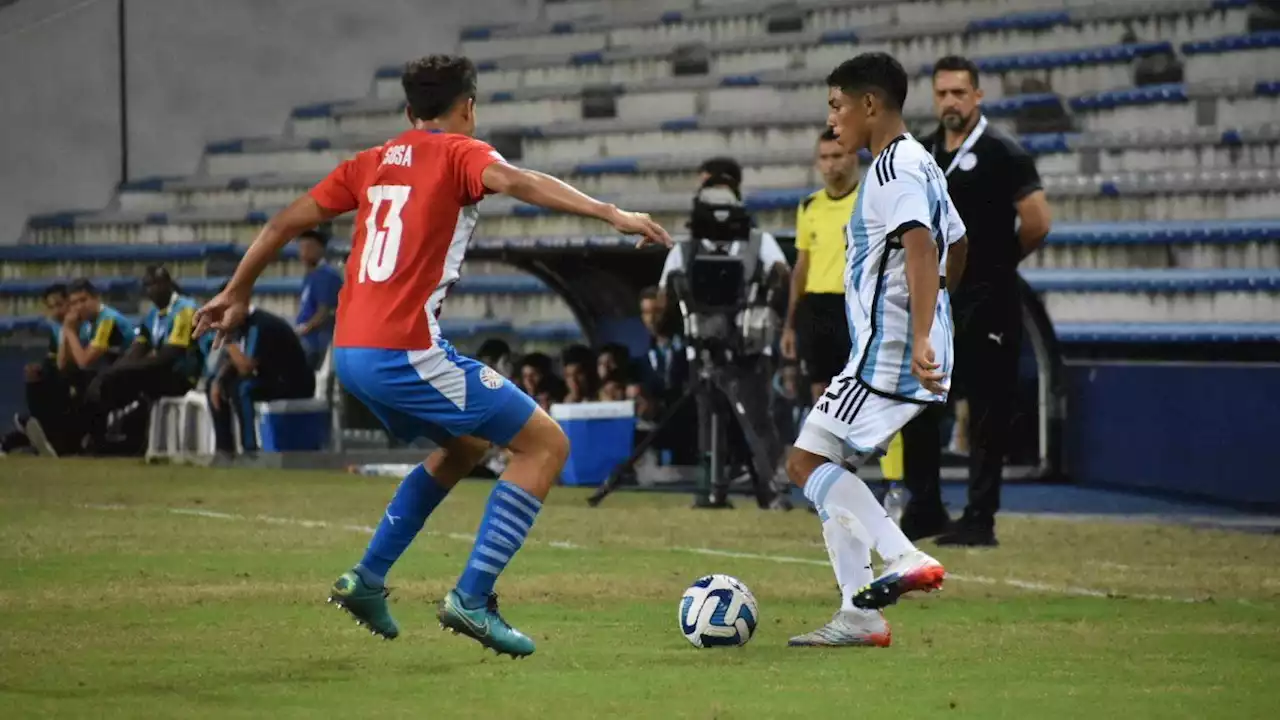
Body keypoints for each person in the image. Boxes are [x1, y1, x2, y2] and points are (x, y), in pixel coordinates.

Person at [192, 54, 670, 658]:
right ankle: (472, 597)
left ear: (407, 110)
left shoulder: (370, 163)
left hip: (352, 353)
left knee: (466, 445)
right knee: (545, 444)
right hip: (403, 352)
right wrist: (612, 214)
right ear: (467, 107)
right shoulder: (461, 153)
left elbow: (285, 222)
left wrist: (238, 291)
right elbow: (520, 181)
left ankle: (366, 580)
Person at [784, 52, 968, 648]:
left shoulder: (892, 172)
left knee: (805, 463)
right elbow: (956, 244)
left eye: (838, 107)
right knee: (828, 466)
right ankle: (859, 615)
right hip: (895, 342)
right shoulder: (923, 163)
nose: (833, 121)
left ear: (869, 105)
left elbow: (921, 244)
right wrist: (938, 313)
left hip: (890, 346)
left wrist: (917, 334)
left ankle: (903, 555)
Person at [900, 55, 1053, 547]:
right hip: (937, 298)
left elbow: (1037, 220)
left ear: (977, 96)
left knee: (987, 409)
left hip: (989, 299)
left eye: (959, 93)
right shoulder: (923, 152)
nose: (950, 102)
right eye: (942, 93)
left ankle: (979, 516)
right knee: (921, 402)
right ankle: (924, 505)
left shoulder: (1002, 152)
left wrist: (998, 263)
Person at [781, 128, 861, 407]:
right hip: (816, 306)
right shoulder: (809, 206)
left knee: (857, 389)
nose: (830, 164)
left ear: (852, 156)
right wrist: (790, 325)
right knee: (821, 392)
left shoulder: (869, 200)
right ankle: (826, 451)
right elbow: (802, 265)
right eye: (824, 157)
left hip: (854, 304)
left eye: (837, 156)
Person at [657, 159, 790, 290]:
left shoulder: (759, 242)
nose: (708, 195)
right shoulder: (685, 250)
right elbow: (665, 292)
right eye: (705, 188)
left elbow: (783, 279)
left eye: (714, 187)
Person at [208, 307, 316, 460]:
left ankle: (250, 450)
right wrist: (217, 381)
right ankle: (224, 450)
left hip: (294, 382)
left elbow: (246, 367)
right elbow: (235, 363)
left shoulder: (259, 324)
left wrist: (228, 342)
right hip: (271, 378)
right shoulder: (243, 325)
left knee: (243, 388)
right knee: (217, 386)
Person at [294, 229, 343, 370]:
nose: (303, 252)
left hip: (318, 342)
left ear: (320, 249)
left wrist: (302, 329)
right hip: (308, 339)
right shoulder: (310, 275)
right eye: (301, 247)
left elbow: (324, 313)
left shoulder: (326, 275)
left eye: (308, 247)